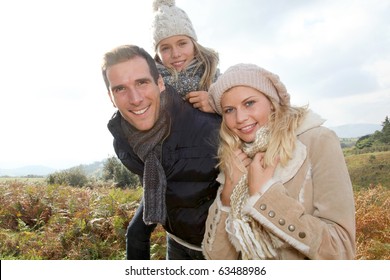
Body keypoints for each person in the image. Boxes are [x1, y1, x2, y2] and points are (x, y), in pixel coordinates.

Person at [202, 63, 356, 259]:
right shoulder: (235, 157)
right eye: (229, 110)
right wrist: (227, 194)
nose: (240, 118)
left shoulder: (318, 141)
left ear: (272, 102)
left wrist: (265, 195)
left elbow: (341, 250)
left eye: (249, 103)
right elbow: (216, 258)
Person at [102, 44, 221, 260]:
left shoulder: (211, 128)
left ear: (160, 83)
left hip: (219, 252)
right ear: (111, 97)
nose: (135, 98)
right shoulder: (123, 139)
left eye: (142, 82)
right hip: (175, 242)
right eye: (120, 89)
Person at [151, 0, 219, 113]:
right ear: (157, 54)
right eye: (165, 48)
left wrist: (219, 105)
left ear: (194, 44)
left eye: (182, 43)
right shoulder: (150, 89)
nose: (176, 54)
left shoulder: (218, 82)